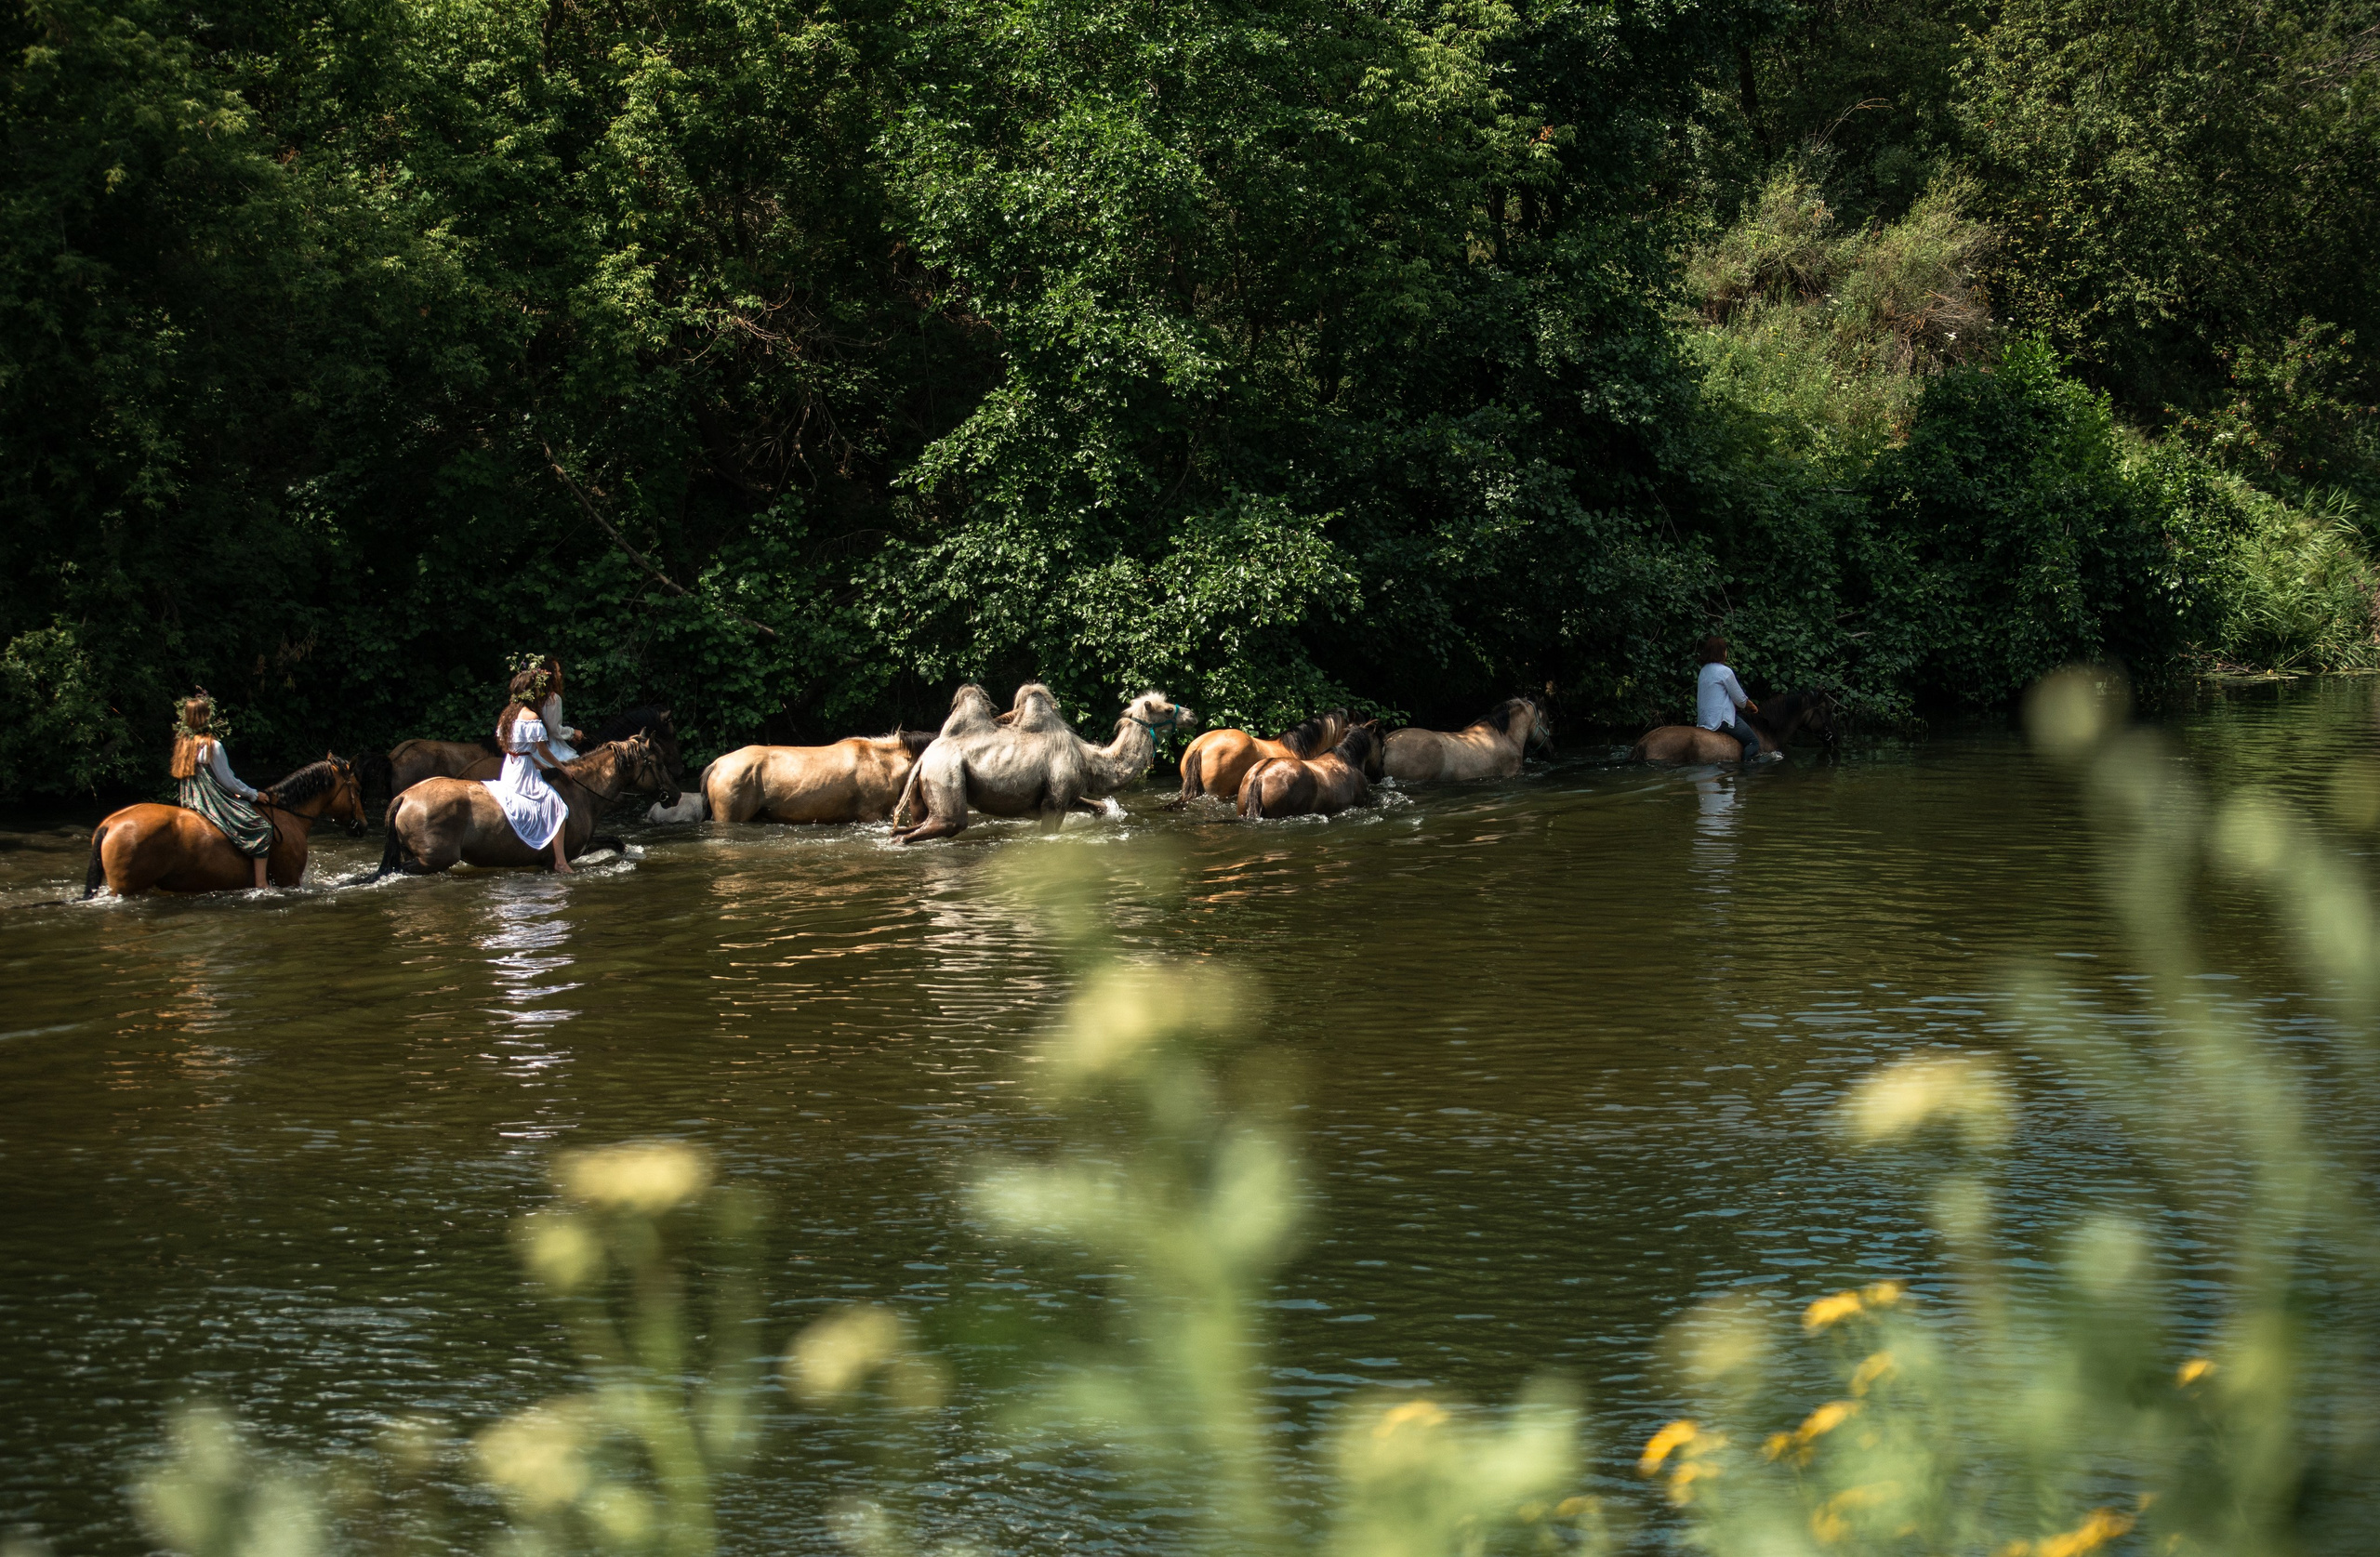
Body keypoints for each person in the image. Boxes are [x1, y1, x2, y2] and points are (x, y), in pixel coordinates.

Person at [170, 691, 274, 889]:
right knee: (261, 828)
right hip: (210, 801)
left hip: (189, 799)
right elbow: (229, 782)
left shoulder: (183, 744)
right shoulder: (212, 746)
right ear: (205, 717)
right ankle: (261, 883)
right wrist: (253, 794)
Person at [487, 666, 576, 873]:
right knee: (558, 807)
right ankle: (561, 862)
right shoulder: (531, 717)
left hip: (510, 767)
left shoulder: (507, 715)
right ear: (532, 693)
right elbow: (543, 751)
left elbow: (512, 748)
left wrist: (535, 763)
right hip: (523, 773)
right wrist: (563, 769)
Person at [1696, 634, 1765, 762]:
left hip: (1704, 720)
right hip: (1721, 720)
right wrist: (1752, 707)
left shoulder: (1704, 671)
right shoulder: (1724, 671)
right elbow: (1740, 699)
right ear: (1722, 652)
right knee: (1753, 742)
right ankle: (1745, 769)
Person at [536, 655, 586, 763]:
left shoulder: (535, 697)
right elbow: (554, 729)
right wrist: (572, 733)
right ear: (550, 676)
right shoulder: (553, 698)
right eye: (557, 671)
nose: (560, 674)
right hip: (550, 746)